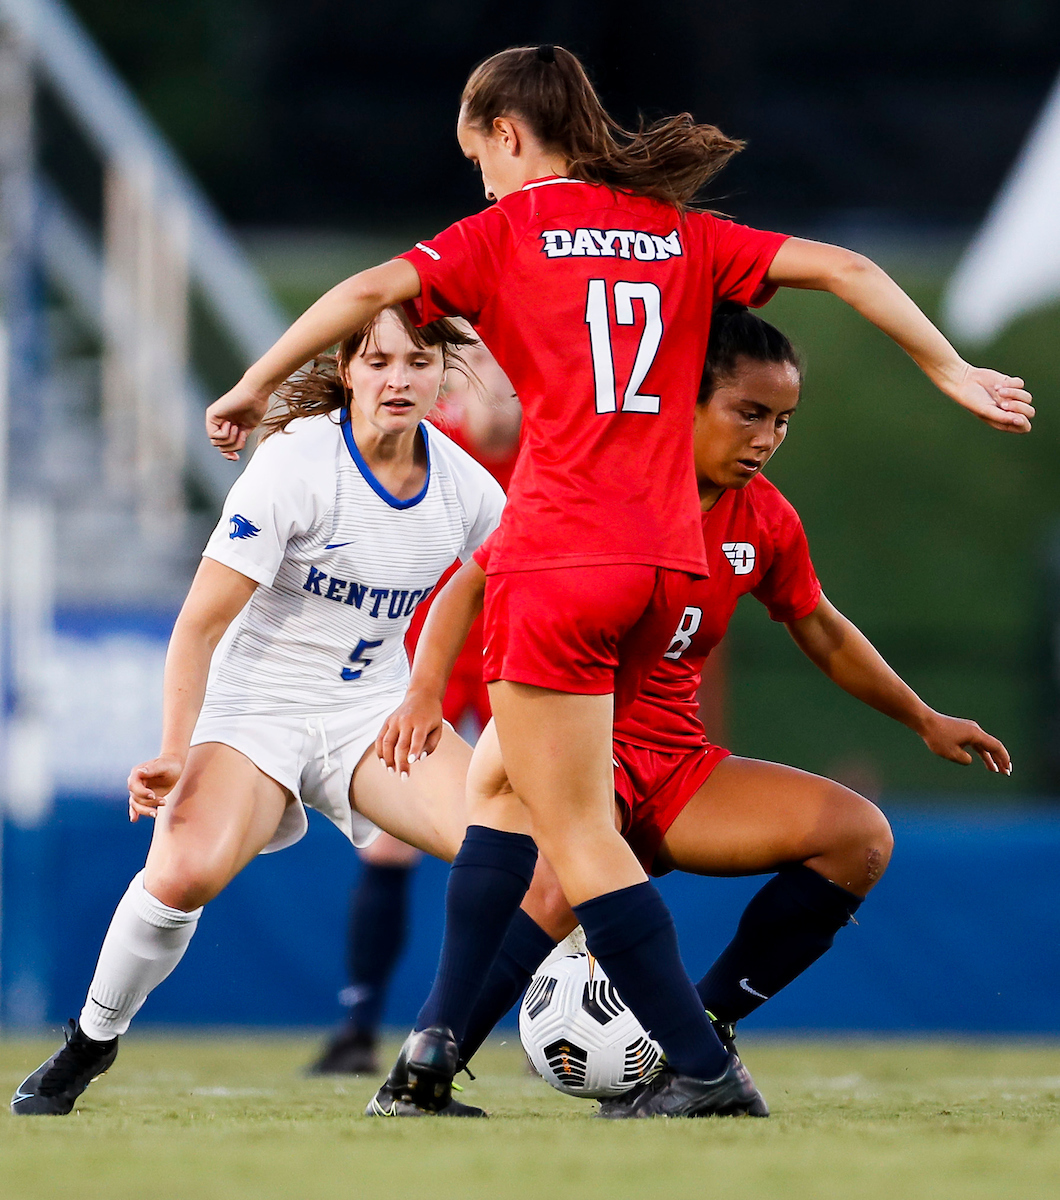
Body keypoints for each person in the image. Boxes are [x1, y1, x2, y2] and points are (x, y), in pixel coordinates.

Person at [202, 44, 1032, 1119]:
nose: (481, 180)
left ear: (506, 134)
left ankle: (701, 1068)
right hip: (659, 561)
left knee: (578, 836)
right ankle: (425, 1064)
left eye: (478, 156)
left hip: (557, 552)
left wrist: (251, 382)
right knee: (500, 791)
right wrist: (948, 368)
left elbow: (370, 290)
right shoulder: (677, 236)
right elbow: (850, 268)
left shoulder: (507, 229)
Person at [372, 304, 1010, 1115]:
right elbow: (472, 580)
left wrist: (923, 717)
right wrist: (423, 692)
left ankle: (696, 1035)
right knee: (559, 883)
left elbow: (822, 629)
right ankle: (423, 1073)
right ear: (684, 403)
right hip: (577, 739)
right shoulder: (600, 489)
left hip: (677, 765)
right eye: (749, 413)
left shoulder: (764, 517)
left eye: (782, 420)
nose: (767, 438)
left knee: (860, 839)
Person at [11, 308, 506, 1116]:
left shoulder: (468, 487)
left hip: (371, 713)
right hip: (257, 710)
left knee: (512, 855)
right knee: (183, 874)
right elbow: (200, 624)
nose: (398, 379)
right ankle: (89, 1045)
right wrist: (175, 749)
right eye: (378, 361)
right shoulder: (296, 465)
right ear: (348, 369)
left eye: (418, 363)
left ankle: (427, 1073)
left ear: (443, 375)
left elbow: (528, 583)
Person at [308, 340, 520, 1077]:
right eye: (491, 363)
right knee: (389, 844)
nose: (507, 383)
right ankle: (358, 1025)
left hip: (513, 658)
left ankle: (543, 1022)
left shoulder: (555, 448)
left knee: (548, 837)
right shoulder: (432, 439)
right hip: (426, 657)